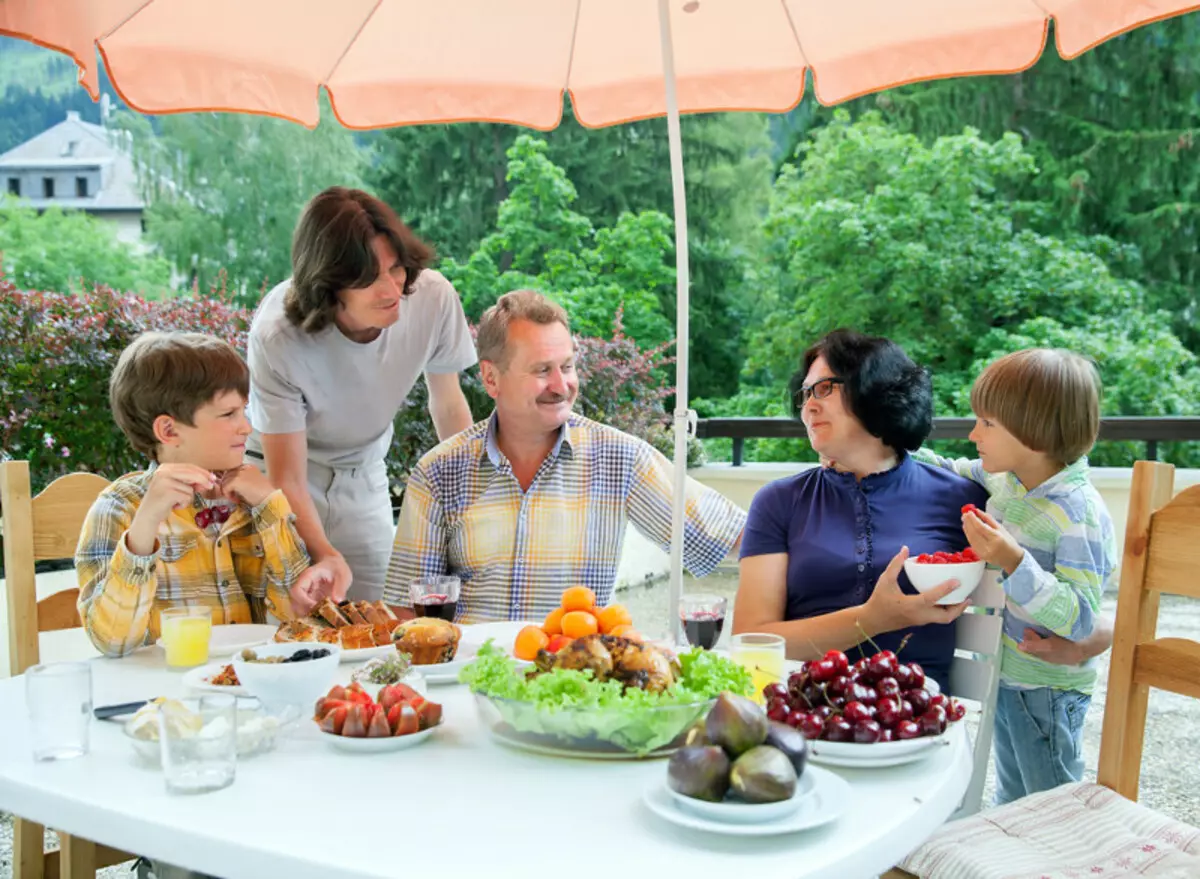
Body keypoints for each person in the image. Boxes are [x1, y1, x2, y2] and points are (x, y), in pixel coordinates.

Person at [383, 289, 746, 622]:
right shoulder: (438, 472)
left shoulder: (619, 459)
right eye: (542, 370)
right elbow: (408, 613)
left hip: (576, 682)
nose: (561, 386)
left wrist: (800, 527)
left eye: (568, 367)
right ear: (491, 378)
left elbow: (730, 534)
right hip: (468, 682)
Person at [247, 187, 476, 607]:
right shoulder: (277, 335)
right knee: (293, 631)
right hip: (283, 485)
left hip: (363, 475)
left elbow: (447, 405)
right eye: (369, 278)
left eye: (396, 269)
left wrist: (469, 508)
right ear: (329, 285)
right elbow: (287, 479)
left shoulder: (433, 298)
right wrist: (326, 555)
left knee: (381, 623)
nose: (391, 290)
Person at [733, 329, 989, 691]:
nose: (808, 405)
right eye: (805, 393)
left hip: (917, 717)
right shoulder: (778, 501)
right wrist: (871, 620)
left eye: (824, 388)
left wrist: (1093, 633)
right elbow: (751, 640)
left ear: (877, 390)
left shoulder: (962, 499)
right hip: (806, 710)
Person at [914, 348, 1117, 803]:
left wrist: (1013, 560)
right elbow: (947, 467)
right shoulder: (1006, 481)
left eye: (987, 423)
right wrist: (889, 445)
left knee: (1050, 807)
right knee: (1011, 798)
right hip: (1005, 676)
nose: (972, 433)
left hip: (1046, 690)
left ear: (1035, 431)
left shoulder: (1077, 512)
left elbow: (1081, 618)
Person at [76, 332, 308, 658]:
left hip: (245, 686)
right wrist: (144, 528)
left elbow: (302, 620)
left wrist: (271, 507)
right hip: (160, 696)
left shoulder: (255, 501)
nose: (246, 427)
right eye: (229, 414)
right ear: (169, 431)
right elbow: (113, 642)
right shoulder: (119, 508)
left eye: (245, 410)